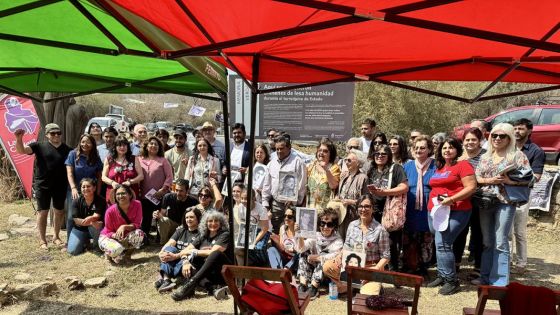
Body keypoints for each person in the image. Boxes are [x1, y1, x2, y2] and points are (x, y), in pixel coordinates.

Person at [474, 123, 532, 286]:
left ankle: (499, 281)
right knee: (487, 242)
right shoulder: (486, 156)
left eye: (502, 136)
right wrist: (489, 180)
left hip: (505, 202)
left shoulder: (517, 156)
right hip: (486, 202)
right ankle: (485, 277)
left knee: (501, 241)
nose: (497, 139)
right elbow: (477, 177)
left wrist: (509, 181)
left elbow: (530, 179)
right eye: (494, 135)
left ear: (509, 138)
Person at [426, 137, 476, 295]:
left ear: (457, 150)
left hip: (457, 210)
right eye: (444, 148)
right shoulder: (439, 168)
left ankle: (452, 281)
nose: (447, 150)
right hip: (436, 210)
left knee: (443, 243)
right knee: (438, 241)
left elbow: (471, 187)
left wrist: (452, 199)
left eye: (451, 148)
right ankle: (442, 274)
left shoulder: (463, 165)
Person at [14, 123, 72, 249]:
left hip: (60, 185)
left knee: (59, 211)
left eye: (58, 133)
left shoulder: (67, 149)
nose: (56, 135)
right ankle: (42, 240)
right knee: (43, 212)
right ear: (47, 135)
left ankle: (56, 236)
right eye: (53, 133)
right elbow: (21, 150)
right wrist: (19, 139)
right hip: (43, 185)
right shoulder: (38, 146)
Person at [171, 211, 231, 301]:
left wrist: (195, 251)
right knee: (192, 261)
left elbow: (213, 252)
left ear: (221, 223)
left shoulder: (224, 234)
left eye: (216, 221)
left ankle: (191, 284)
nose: (213, 223)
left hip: (222, 272)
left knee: (215, 253)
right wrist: (185, 262)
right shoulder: (203, 236)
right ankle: (211, 288)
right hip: (206, 273)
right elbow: (185, 251)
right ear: (206, 223)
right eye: (210, 221)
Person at [511, 118, 545, 273]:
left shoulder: (536, 151)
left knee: (519, 230)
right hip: (505, 194)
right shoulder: (508, 147)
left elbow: (535, 177)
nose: (517, 131)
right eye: (515, 128)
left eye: (521, 129)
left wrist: (512, 181)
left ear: (530, 131)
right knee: (506, 231)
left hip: (522, 195)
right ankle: (507, 261)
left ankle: (521, 263)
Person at [366, 144, 408, 271]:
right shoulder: (371, 170)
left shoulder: (395, 168)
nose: (379, 156)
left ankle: (393, 271)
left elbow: (404, 187)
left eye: (383, 154)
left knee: (390, 243)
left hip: (389, 212)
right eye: (377, 154)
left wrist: (385, 192)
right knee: (374, 241)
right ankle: (378, 269)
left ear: (389, 156)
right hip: (374, 211)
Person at [402, 135, 435, 275]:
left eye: (422, 147)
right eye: (416, 148)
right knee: (409, 236)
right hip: (410, 205)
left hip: (428, 206)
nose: (419, 150)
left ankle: (423, 266)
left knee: (426, 238)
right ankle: (409, 263)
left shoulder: (436, 165)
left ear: (429, 149)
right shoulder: (407, 165)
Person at [456, 127, 486, 282]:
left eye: (473, 139)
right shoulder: (460, 157)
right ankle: (456, 263)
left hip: (479, 200)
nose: (470, 142)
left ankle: (479, 268)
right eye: (467, 139)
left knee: (478, 234)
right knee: (460, 232)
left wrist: (474, 181)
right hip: (461, 200)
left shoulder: (486, 156)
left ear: (479, 140)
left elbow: (488, 176)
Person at [262, 135, 307, 233]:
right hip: (276, 205)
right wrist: (265, 204)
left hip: (291, 206)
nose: (278, 151)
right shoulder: (271, 164)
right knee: (276, 231)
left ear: (289, 147)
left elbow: (302, 184)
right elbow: (267, 185)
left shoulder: (298, 163)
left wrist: (294, 200)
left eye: (281, 149)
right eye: (277, 149)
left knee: (291, 232)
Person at [296, 207, 343, 300]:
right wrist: (300, 235)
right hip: (312, 268)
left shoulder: (338, 240)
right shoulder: (315, 235)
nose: (325, 227)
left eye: (329, 224)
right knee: (303, 255)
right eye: (323, 223)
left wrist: (317, 257)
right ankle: (303, 284)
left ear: (334, 226)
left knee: (324, 260)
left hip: (325, 274)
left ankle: (314, 287)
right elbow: (301, 249)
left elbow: (334, 255)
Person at [65, 133, 103, 243]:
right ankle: (70, 241)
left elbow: (99, 176)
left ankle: (87, 239)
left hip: (91, 191)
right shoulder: (72, 154)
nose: (85, 144)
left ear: (92, 144)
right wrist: (73, 188)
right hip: (75, 190)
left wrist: (98, 192)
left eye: (88, 142)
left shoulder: (95, 156)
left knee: (90, 216)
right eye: (83, 142)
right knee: (71, 217)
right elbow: (70, 173)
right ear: (79, 143)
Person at [155, 207, 202, 293]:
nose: (188, 219)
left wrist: (175, 256)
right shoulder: (181, 230)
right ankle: (166, 280)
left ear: (198, 218)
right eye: (187, 217)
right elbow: (169, 243)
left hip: (187, 261)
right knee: (169, 249)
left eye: (192, 217)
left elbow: (189, 249)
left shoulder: (201, 233)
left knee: (186, 255)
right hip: (175, 259)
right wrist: (161, 253)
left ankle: (163, 278)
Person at [99, 185, 145, 264]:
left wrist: (124, 226)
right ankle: (108, 256)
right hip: (109, 237)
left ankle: (127, 256)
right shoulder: (110, 211)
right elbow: (108, 231)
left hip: (127, 235)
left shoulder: (138, 204)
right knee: (116, 249)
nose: (120, 196)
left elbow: (137, 224)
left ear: (130, 195)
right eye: (118, 194)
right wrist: (115, 235)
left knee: (139, 234)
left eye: (123, 193)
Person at [138, 136, 173, 237]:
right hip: (144, 195)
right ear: (146, 146)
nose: (153, 146)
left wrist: (163, 190)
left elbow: (169, 176)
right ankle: (144, 237)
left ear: (159, 148)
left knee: (159, 217)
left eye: (156, 144)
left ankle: (160, 236)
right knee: (145, 217)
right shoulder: (139, 160)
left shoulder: (163, 161)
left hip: (159, 195)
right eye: (151, 143)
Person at [67, 178, 106, 256]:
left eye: (88, 186)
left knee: (96, 225)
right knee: (73, 252)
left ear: (94, 188)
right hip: (79, 228)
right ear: (80, 189)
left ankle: (96, 247)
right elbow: (76, 220)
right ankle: (85, 242)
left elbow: (96, 217)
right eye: (83, 187)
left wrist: (91, 221)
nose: (85, 189)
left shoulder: (101, 200)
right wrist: (91, 222)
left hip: (94, 229)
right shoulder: (76, 201)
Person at [154, 179, 197, 245]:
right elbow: (162, 214)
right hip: (172, 225)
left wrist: (184, 226)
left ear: (187, 191)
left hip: (185, 227)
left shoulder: (193, 201)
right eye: (176, 190)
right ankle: (164, 244)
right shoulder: (168, 197)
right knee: (163, 220)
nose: (178, 193)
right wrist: (157, 214)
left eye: (181, 191)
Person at [337, 149, 369, 240]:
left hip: (355, 218)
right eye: (345, 160)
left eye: (349, 160)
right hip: (342, 217)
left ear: (358, 162)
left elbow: (366, 200)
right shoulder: (344, 177)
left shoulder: (363, 178)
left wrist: (351, 202)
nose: (346, 162)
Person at [234, 189, 270, 266]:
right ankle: (251, 263)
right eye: (242, 198)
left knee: (259, 248)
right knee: (239, 247)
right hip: (250, 229)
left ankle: (264, 263)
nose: (243, 201)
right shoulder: (240, 207)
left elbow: (265, 228)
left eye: (246, 198)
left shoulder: (261, 209)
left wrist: (254, 241)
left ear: (253, 198)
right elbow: (242, 223)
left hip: (262, 230)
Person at [101, 135, 143, 204]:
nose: (122, 147)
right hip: (113, 195)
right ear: (115, 147)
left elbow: (141, 176)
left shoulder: (134, 158)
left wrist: (130, 182)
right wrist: (112, 183)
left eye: (124, 145)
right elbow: (103, 177)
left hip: (131, 195)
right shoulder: (109, 159)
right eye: (119, 145)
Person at [307, 138, 341, 210]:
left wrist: (326, 169)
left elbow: (333, 186)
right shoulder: (311, 166)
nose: (321, 153)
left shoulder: (334, 168)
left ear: (330, 154)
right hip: (310, 209)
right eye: (319, 150)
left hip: (326, 212)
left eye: (325, 151)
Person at [268, 208, 299, 272]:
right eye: (285, 216)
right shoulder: (282, 228)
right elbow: (282, 249)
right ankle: (277, 271)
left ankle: (285, 270)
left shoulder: (299, 231)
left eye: (290, 217)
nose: (286, 218)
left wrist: (294, 250)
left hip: (294, 260)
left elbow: (302, 249)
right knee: (271, 249)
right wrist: (277, 242)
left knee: (298, 254)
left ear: (295, 219)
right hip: (284, 256)